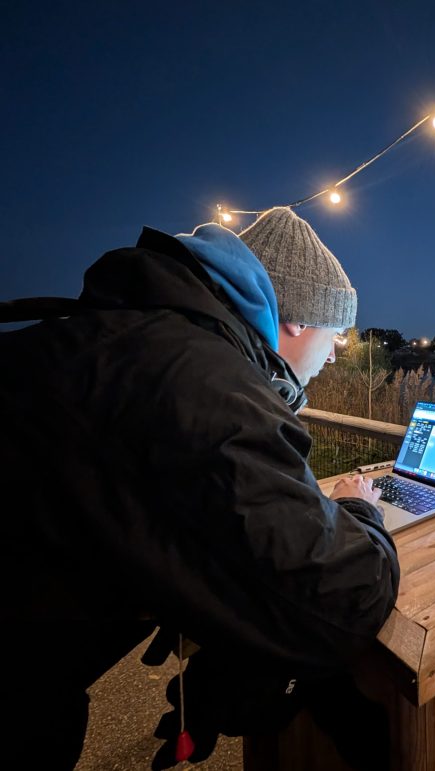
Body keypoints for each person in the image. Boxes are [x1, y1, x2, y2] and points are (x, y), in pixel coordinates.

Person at [0, 206, 399, 769]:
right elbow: (349, 594)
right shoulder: (208, 380)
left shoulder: (144, 338)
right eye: (336, 333)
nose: (337, 352)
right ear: (298, 322)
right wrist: (360, 509)